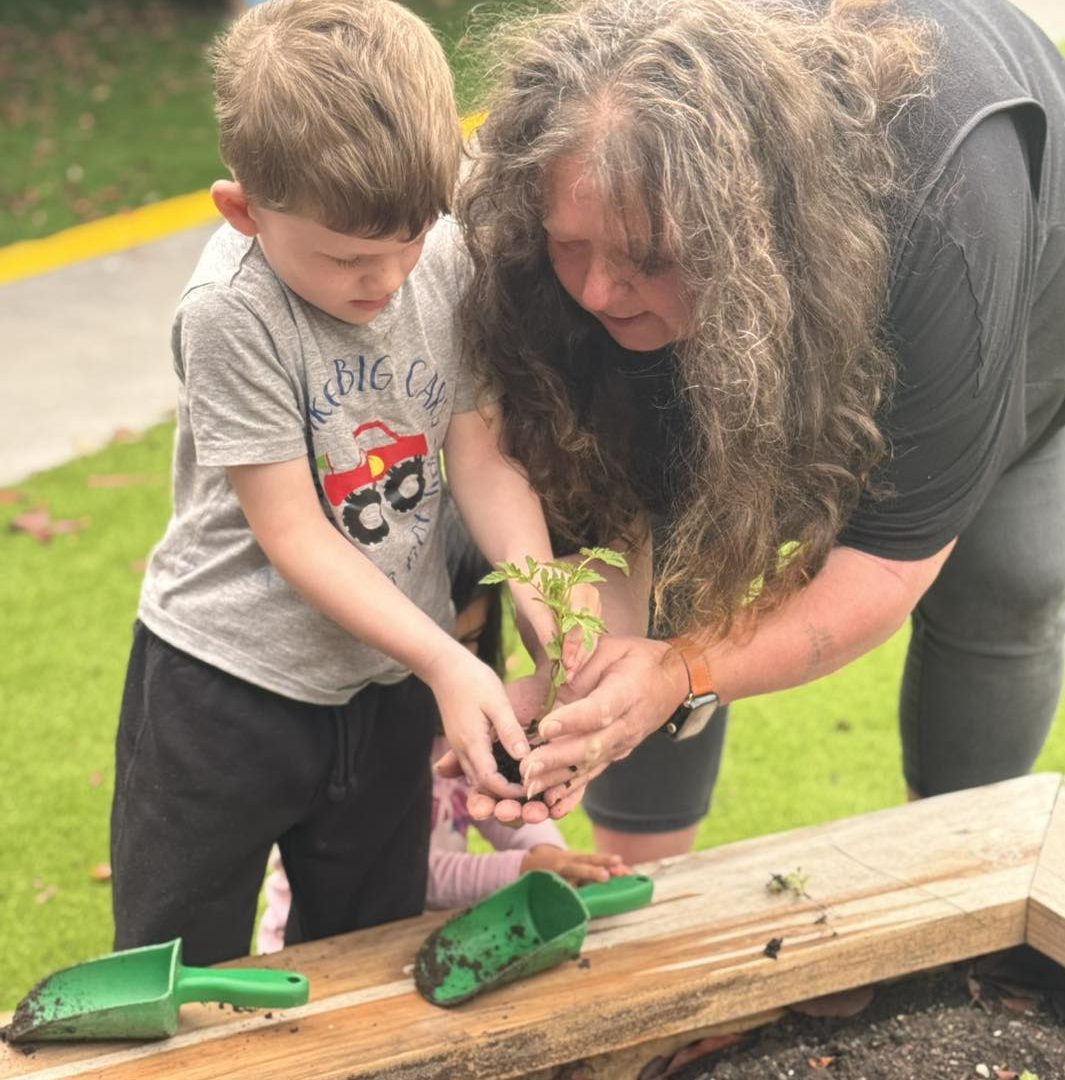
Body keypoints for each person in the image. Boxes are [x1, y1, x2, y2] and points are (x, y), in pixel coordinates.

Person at [453, 0, 1065, 861]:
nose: (597, 291)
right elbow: (605, 505)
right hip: (749, 270)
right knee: (669, 572)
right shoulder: (561, 198)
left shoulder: (951, 213)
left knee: (1011, 580)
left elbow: (888, 562)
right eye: (574, 245)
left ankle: (960, 875)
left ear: (753, 231)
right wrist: (592, 678)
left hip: (989, 278)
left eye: (647, 258)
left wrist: (684, 672)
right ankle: (648, 894)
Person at [111, 0, 580, 966]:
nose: (390, 278)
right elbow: (294, 534)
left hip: (384, 681)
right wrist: (452, 661)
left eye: (410, 239)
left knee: (372, 955)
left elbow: (480, 455)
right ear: (243, 211)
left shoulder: (437, 257)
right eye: (349, 258)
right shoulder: (229, 314)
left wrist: (554, 615)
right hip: (222, 693)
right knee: (177, 973)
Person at [257, 533, 626, 952]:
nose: (455, 678)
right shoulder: (361, 741)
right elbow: (402, 870)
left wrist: (548, 852)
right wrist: (525, 868)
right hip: (313, 952)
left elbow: (491, 805)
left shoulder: (466, 725)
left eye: (470, 644)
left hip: (414, 938)